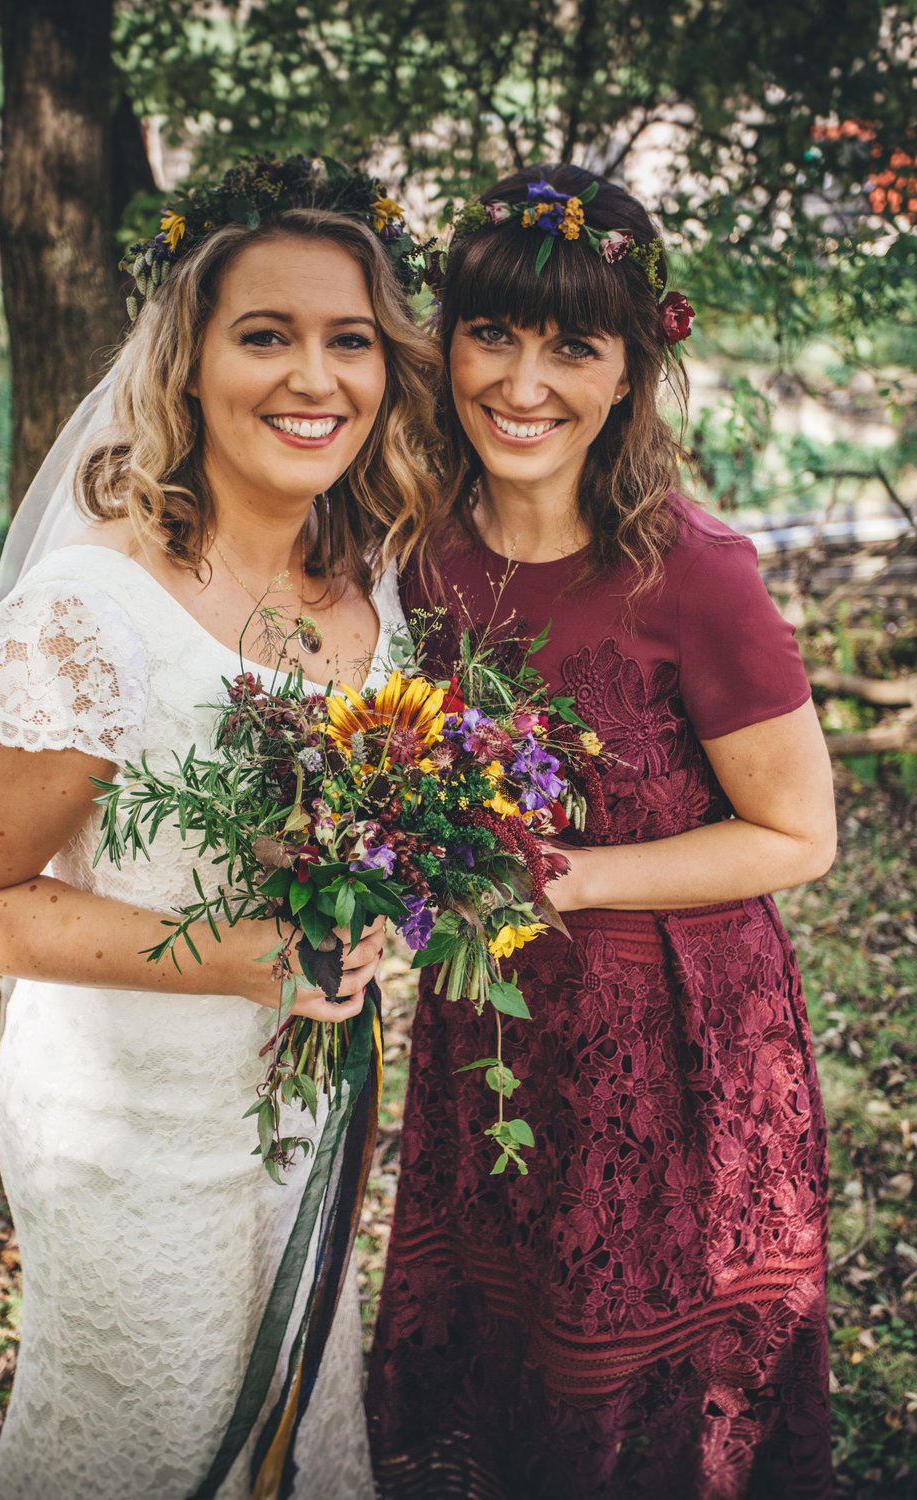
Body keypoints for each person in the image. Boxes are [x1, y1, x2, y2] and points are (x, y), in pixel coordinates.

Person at [0, 156, 439, 1500]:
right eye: (264, 335)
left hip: (305, 1118)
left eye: (352, 341)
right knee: (141, 1450)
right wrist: (259, 957)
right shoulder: (92, 606)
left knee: (292, 1442)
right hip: (126, 1128)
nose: (313, 379)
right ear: (188, 359)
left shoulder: (377, 589)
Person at [367, 165, 836, 1498]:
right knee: (516, 1348)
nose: (524, 383)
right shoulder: (420, 560)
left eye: (574, 346)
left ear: (630, 370)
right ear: (445, 344)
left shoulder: (696, 576)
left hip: (675, 1048)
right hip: (498, 1028)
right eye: (493, 333)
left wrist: (560, 876)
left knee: (643, 1392)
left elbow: (798, 837)